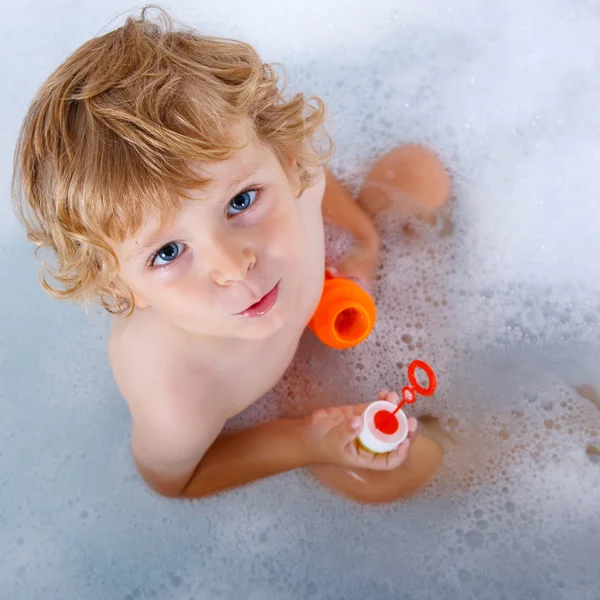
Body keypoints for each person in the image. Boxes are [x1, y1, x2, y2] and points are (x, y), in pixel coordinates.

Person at [12, 7, 447, 500]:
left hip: (328, 294)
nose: (233, 265)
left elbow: (315, 181)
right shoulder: (175, 392)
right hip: (290, 393)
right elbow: (176, 480)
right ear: (121, 288)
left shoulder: (296, 176)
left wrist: (364, 243)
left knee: (418, 172)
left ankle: (437, 310)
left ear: (284, 160)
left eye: (240, 202)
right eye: (169, 252)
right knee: (396, 470)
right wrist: (309, 439)